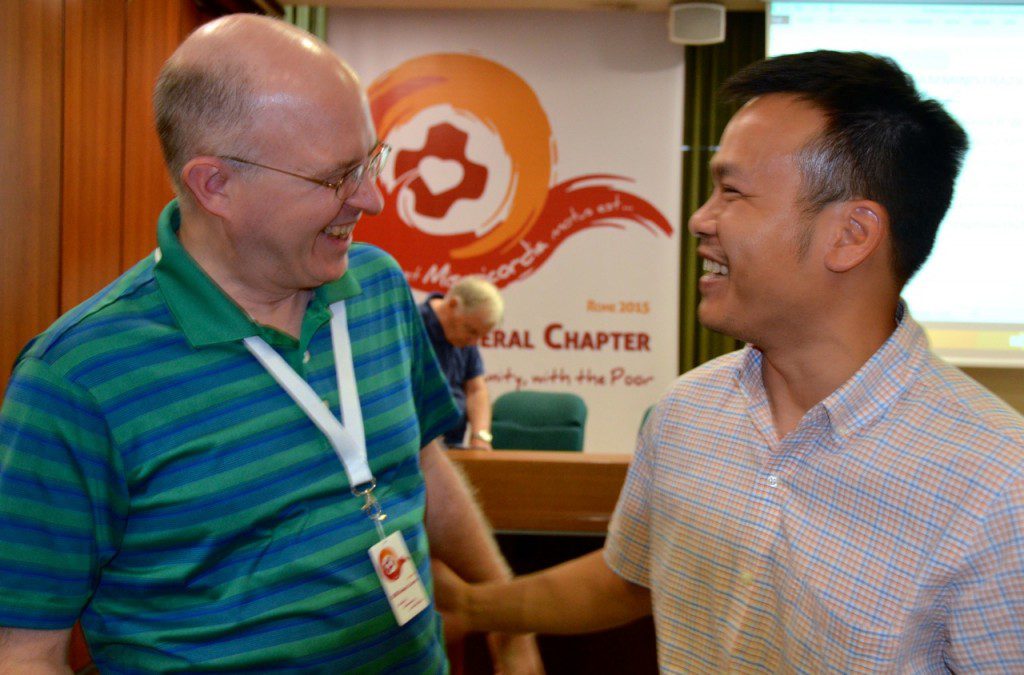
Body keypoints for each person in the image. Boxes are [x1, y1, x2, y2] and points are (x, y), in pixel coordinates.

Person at [434, 50, 1024, 672]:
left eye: (732, 191)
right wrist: (479, 608)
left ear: (851, 235)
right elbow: (630, 578)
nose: (699, 218)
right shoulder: (689, 410)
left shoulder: (995, 487)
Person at [0, 15, 541, 674]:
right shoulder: (76, 379)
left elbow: (424, 466)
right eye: (337, 176)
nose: (372, 197)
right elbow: (27, 650)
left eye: (371, 158)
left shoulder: (379, 288)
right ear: (216, 185)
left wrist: (510, 615)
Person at [419, 279, 504, 449]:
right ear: (452, 304)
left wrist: (481, 436)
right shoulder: (411, 326)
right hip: (418, 449)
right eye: (471, 331)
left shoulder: (464, 338)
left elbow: (476, 389)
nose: (473, 342)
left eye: (479, 336)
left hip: (453, 445)